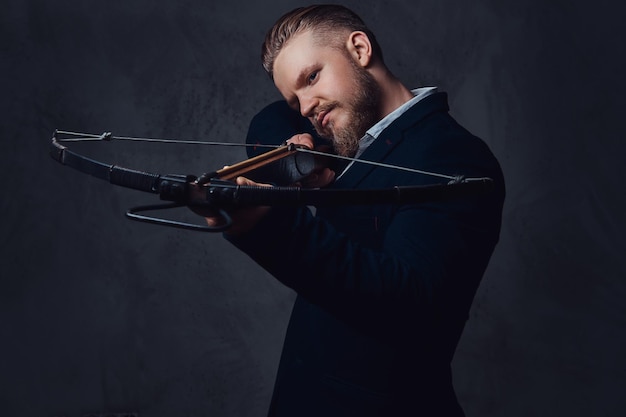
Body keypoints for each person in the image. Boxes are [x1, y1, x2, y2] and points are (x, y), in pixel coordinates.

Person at [210, 4, 505, 416]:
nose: (307, 107)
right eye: (297, 102)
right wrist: (300, 153)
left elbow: (410, 303)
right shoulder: (343, 142)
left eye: (312, 77)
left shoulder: (453, 155)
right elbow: (269, 119)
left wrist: (267, 224)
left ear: (360, 48)